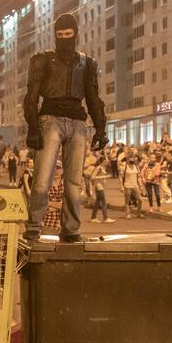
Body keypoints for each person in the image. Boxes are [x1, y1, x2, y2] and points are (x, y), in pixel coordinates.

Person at [23, 13, 108, 242]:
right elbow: (31, 96)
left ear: (75, 34)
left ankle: (71, 230)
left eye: (68, 34)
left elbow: (92, 97)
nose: (64, 39)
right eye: (59, 35)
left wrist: (100, 128)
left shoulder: (87, 63)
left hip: (78, 122)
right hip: (50, 119)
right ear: (55, 36)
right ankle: (33, 227)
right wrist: (32, 128)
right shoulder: (42, 60)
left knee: (73, 182)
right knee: (42, 180)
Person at [89, 158, 114, 223]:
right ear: (102, 161)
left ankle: (93, 217)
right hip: (98, 186)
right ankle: (105, 217)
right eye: (106, 161)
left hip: (101, 186)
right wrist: (104, 177)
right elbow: (93, 177)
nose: (107, 162)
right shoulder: (99, 168)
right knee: (104, 202)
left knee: (97, 202)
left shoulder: (103, 168)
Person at [121, 154, 146, 219]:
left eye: (133, 158)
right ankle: (128, 214)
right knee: (127, 201)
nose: (132, 160)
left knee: (140, 200)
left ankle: (138, 213)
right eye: (130, 158)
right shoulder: (125, 167)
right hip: (127, 185)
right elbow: (121, 177)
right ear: (128, 159)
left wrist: (141, 185)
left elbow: (138, 177)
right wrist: (121, 186)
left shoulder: (136, 167)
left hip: (135, 185)